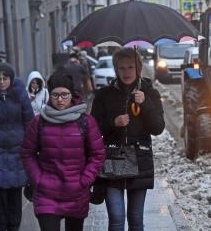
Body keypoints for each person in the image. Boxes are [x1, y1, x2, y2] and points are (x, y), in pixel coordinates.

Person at [91, 48, 165, 231]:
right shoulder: (104, 95)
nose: (126, 72)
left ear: (138, 68)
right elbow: (92, 130)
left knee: (135, 218)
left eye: (130, 67)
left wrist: (145, 103)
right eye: (122, 68)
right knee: (116, 217)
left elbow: (158, 128)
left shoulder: (149, 92)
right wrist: (113, 123)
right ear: (116, 69)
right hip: (112, 159)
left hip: (139, 160)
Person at [21, 72, 105, 231]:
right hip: (46, 193)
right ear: (49, 95)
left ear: (72, 94)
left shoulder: (85, 122)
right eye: (55, 95)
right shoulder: (39, 122)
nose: (60, 99)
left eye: (64, 94)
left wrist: (84, 180)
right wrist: (38, 178)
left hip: (76, 193)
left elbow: (97, 154)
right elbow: (27, 153)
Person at [0, 62, 34, 231]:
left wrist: (29, 147)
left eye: (5, 78)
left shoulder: (20, 94)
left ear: (11, 78)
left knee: (15, 198)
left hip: (17, 152)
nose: (2, 82)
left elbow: (29, 121)